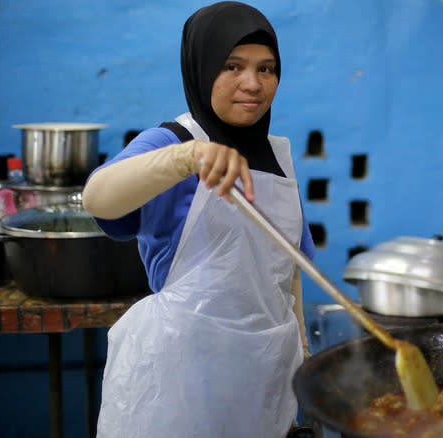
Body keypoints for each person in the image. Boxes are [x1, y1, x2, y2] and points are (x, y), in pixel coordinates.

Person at [82, 2, 315, 437]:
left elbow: (287, 269)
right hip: (178, 382)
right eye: (232, 66)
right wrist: (186, 157)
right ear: (201, 67)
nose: (253, 84)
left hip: (264, 375)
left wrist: (302, 353)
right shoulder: (174, 141)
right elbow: (99, 198)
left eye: (267, 69)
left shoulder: (279, 156)